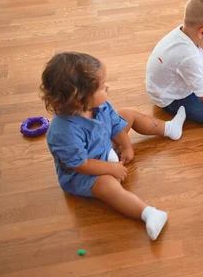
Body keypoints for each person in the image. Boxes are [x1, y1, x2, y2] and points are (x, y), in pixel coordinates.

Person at [42, 52, 186, 240]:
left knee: (128, 114)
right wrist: (111, 169)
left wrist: (127, 147)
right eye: (102, 87)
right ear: (79, 99)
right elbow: (80, 164)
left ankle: (168, 128)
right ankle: (148, 214)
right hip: (83, 174)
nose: (107, 87)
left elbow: (116, 124)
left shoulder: (100, 106)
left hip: (103, 147)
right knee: (107, 185)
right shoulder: (63, 132)